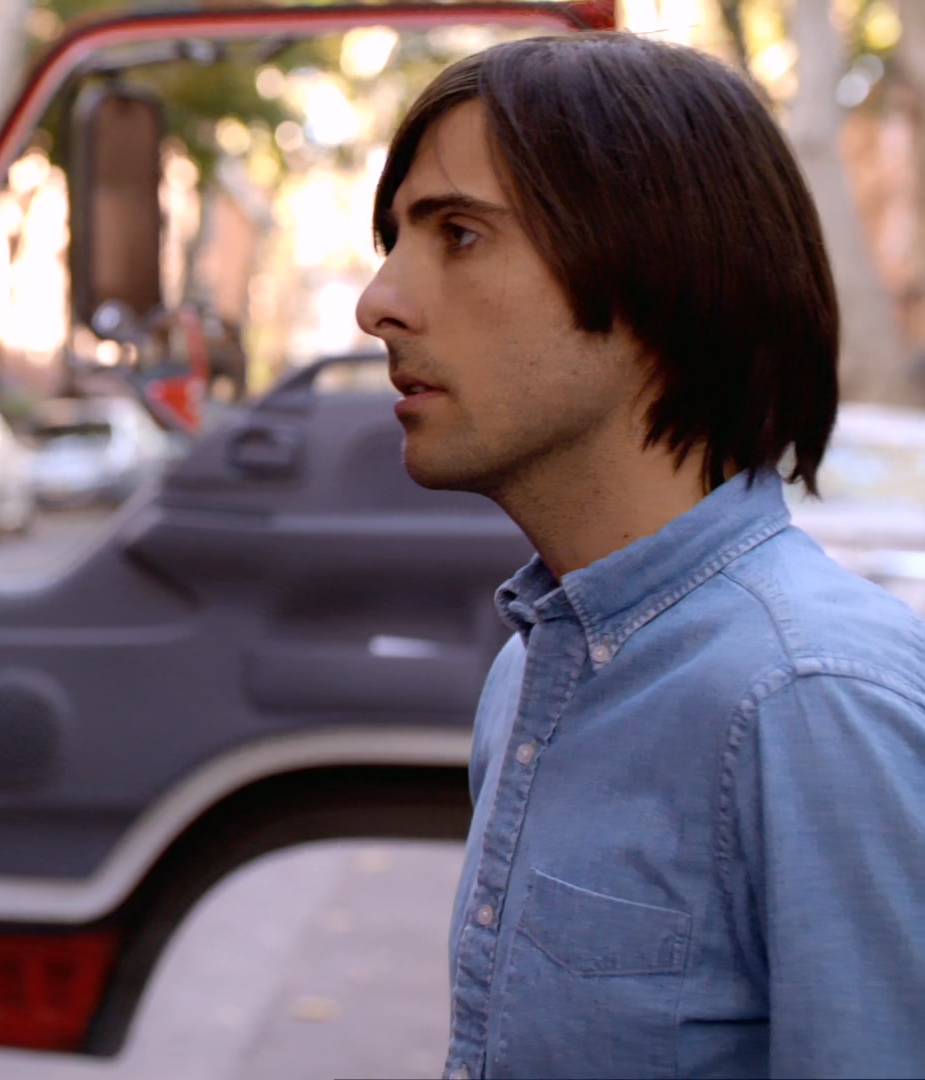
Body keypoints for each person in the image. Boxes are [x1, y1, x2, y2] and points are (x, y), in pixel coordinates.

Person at [356, 33, 925, 1079]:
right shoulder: (534, 666)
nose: (378, 302)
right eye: (395, 238)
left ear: (658, 269)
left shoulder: (812, 701)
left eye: (459, 234)